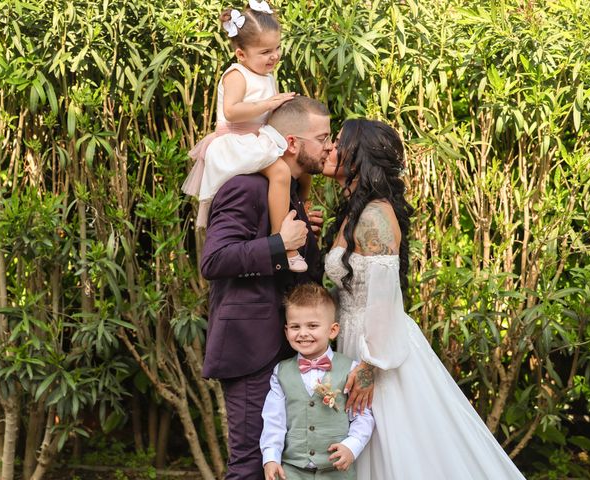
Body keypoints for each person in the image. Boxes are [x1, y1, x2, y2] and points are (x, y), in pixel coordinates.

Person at [323, 119, 527, 479]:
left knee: (399, 450)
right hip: (355, 342)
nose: (329, 148)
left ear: (358, 156)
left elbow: (385, 299)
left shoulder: (373, 217)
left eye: (338, 143)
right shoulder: (356, 211)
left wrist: (370, 366)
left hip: (379, 351)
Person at [200, 96, 332, 480]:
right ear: (292, 143)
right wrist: (280, 243)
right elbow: (214, 260)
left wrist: (307, 238)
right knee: (250, 466)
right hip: (249, 351)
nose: (328, 146)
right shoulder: (245, 188)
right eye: (321, 138)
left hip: (289, 350)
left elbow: (299, 275)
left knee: (283, 463)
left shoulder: (290, 192)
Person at [183, 0, 308, 271]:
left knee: (299, 168)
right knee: (280, 174)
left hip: (255, 139)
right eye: (265, 52)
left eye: (276, 48)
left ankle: (297, 224)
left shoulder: (264, 73)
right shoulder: (237, 75)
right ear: (241, 54)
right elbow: (231, 111)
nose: (273, 56)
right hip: (235, 142)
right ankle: (282, 243)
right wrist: (269, 103)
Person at [260, 283, 374, 480]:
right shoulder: (281, 372)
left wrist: (352, 446)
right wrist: (271, 457)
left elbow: (362, 415)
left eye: (312, 326)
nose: (303, 333)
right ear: (287, 332)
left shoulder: (351, 369)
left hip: (337, 471)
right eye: (295, 327)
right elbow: (273, 420)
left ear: (332, 330)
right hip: (291, 470)